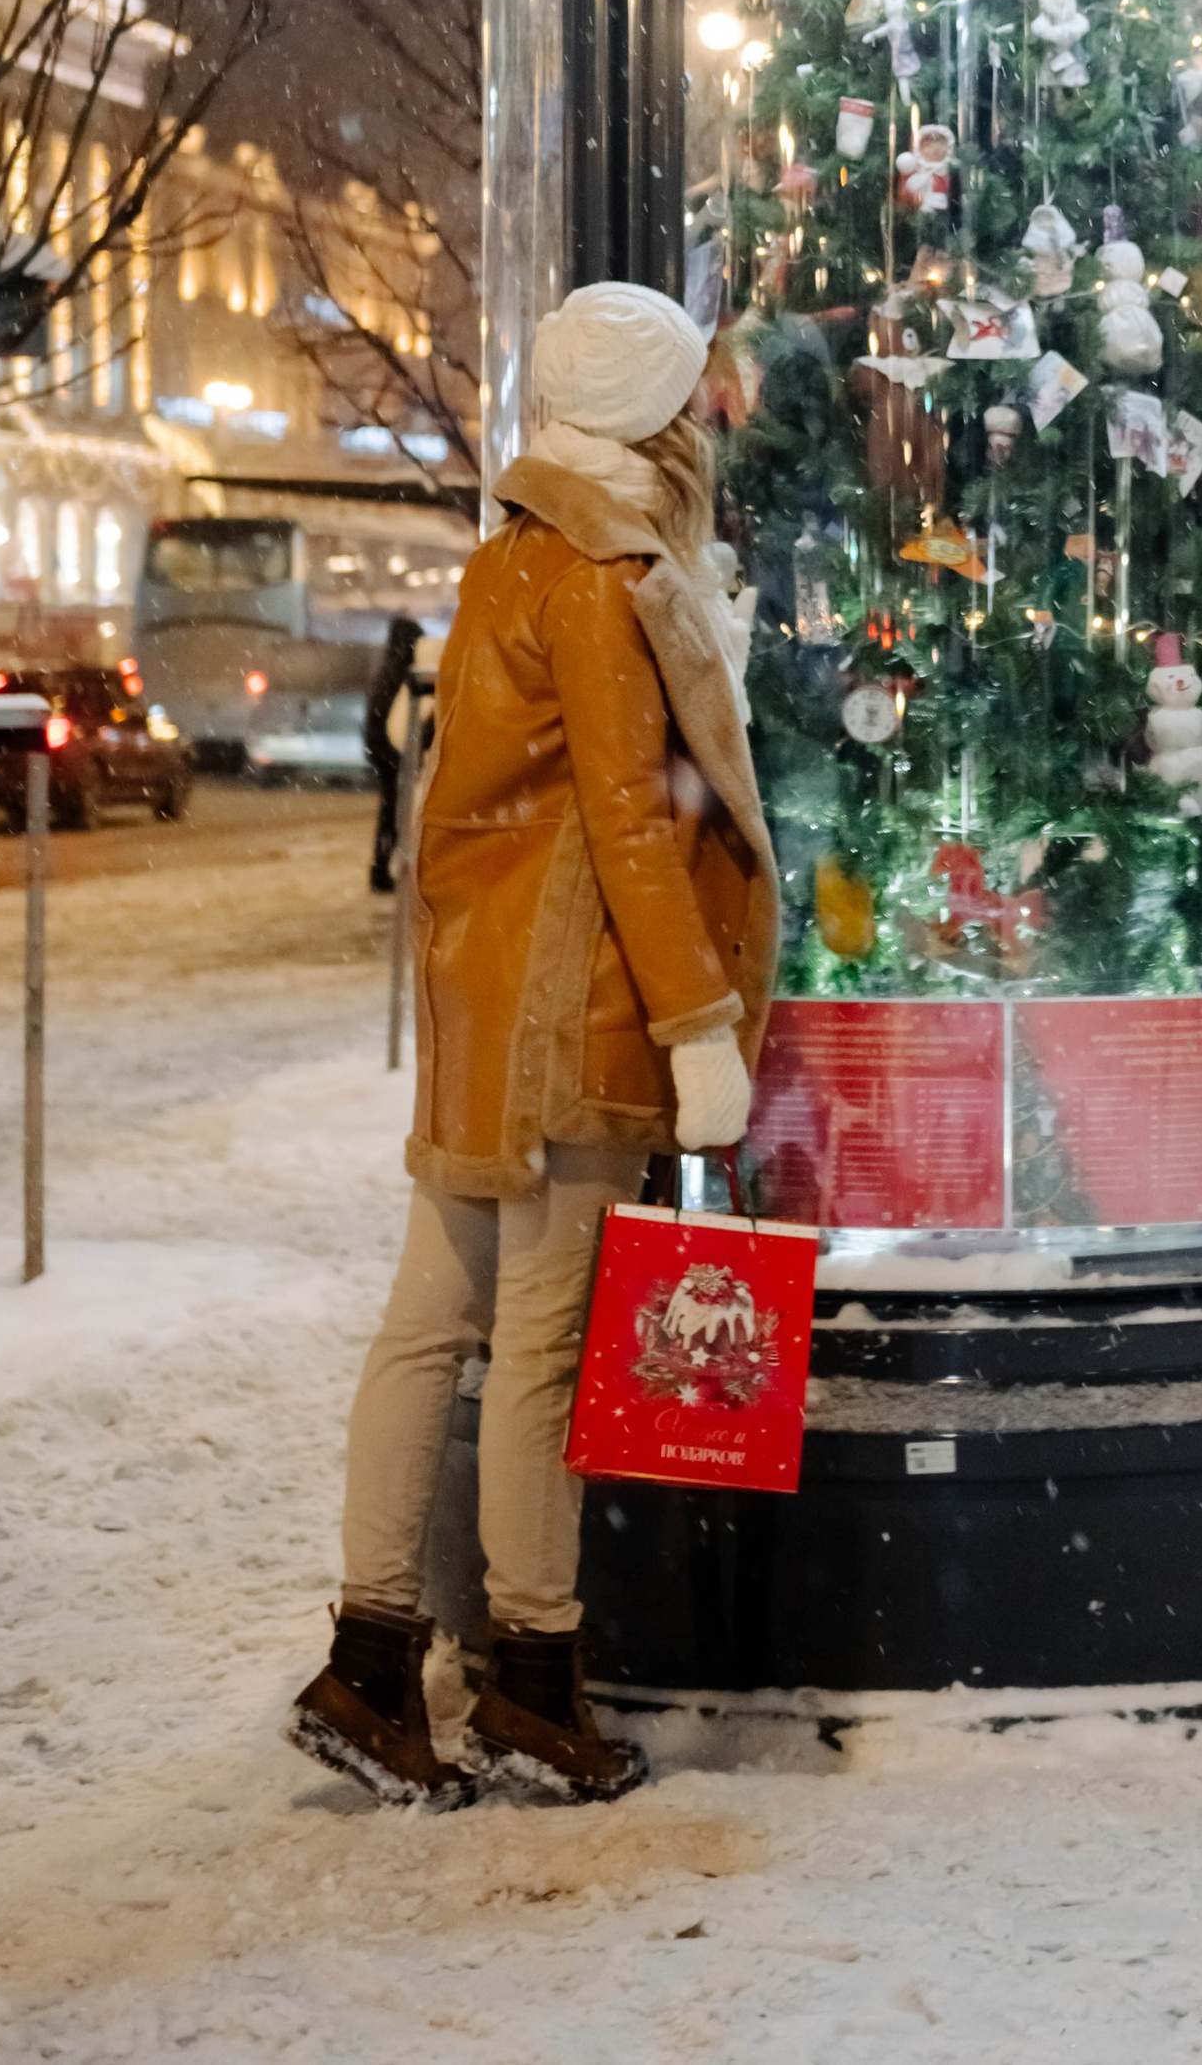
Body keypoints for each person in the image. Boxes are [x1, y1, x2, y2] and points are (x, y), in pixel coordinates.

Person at [289, 282, 776, 1808]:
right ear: (650, 412)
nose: (708, 417)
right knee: (539, 1348)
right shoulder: (601, 571)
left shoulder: (512, 555)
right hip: (574, 1003)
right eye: (692, 394)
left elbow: (503, 800)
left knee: (430, 1325)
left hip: (489, 996)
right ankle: (534, 1676)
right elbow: (635, 821)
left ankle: (372, 1662)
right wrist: (700, 1024)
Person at [363, 611, 419, 896]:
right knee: (393, 813)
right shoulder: (399, 674)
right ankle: (381, 870)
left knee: (391, 812)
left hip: (383, 753)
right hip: (391, 755)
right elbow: (393, 722)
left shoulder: (388, 669)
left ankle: (382, 868)